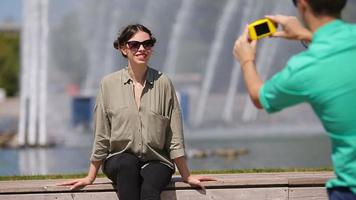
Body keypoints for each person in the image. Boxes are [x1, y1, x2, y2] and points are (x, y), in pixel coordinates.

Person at [59, 24, 215, 200]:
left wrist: (187, 175)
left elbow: (175, 136)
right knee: (128, 164)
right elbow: (101, 135)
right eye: (135, 45)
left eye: (147, 44)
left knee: (149, 191)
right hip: (119, 159)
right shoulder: (108, 84)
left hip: (157, 160)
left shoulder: (163, 83)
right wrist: (90, 176)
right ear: (123, 49)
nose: (142, 49)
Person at [233, 0, 356, 199]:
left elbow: (259, 97)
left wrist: (246, 59)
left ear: (302, 5)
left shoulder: (306, 67)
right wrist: (305, 35)